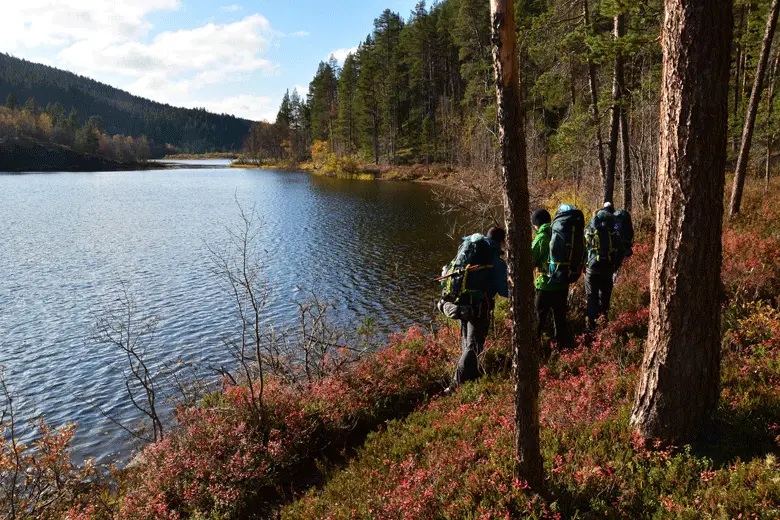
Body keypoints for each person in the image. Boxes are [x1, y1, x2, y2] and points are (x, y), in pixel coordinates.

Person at [443, 227, 508, 394]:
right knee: (474, 346)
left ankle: (472, 377)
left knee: (467, 341)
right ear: (502, 242)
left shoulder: (469, 250)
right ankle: (455, 385)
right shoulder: (493, 259)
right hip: (479, 307)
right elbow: (503, 290)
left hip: (461, 303)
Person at [531, 208, 570, 346]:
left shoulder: (541, 237)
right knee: (560, 319)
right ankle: (562, 350)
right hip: (563, 283)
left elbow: (530, 260)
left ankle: (535, 350)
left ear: (537, 223)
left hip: (545, 286)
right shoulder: (561, 233)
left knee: (538, 319)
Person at [584, 205, 624, 329]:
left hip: (591, 269)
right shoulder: (614, 230)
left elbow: (582, 249)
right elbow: (621, 251)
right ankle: (604, 325)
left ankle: (591, 328)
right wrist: (615, 265)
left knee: (592, 298)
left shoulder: (589, 229)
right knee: (605, 297)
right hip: (608, 269)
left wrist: (584, 265)